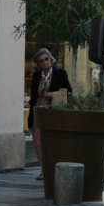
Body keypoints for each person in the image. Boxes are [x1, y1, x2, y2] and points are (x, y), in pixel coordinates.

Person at [28, 48, 72, 181]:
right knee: (38, 140)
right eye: (41, 61)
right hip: (38, 111)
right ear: (38, 64)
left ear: (51, 60)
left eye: (46, 59)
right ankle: (44, 169)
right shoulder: (36, 76)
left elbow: (68, 92)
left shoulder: (60, 73)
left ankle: (53, 168)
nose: (45, 62)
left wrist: (52, 95)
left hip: (53, 110)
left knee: (52, 140)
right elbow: (33, 95)